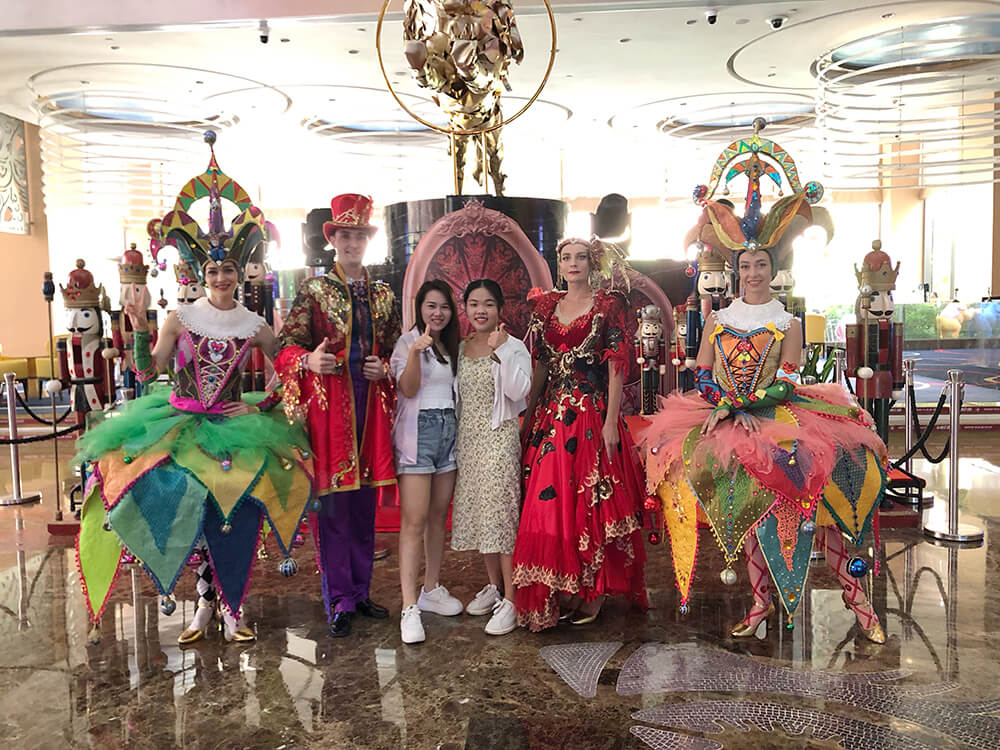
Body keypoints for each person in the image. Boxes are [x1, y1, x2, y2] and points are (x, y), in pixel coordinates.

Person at [643, 243, 889, 642]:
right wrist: (723, 404)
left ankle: (857, 598)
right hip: (724, 420)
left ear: (772, 272)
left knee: (816, 503)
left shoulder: (788, 323)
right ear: (736, 271)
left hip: (783, 420)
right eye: (745, 265)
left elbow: (787, 381)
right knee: (747, 511)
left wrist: (739, 404)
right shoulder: (718, 319)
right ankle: (761, 602)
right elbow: (702, 373)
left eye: (760, 265)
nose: (753, 272)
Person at [74, 241, 314, 645]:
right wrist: (140, 330)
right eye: (213, 271)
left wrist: (258, 408)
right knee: (192, 508)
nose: (221, 278)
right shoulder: (180, 318)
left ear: (240, 274)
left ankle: (232, 605)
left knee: (233, 508)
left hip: (234, 427)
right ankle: (205, 601)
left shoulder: (255, 325)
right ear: (202, 277)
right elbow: (148, 372)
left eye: (229, 270)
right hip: (179, 423)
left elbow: (288, 371)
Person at [275, 193, 400, 638]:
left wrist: (385, 367)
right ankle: (339, 599)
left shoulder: (383, 294)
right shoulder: (314, 292)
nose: (352, 243)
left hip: (371, 413)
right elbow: (285, 348)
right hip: (330, 414)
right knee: (332, 510)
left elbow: (397, 349)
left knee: (363, 508)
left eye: (359, 236)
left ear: (368, 240)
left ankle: (361, 591)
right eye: (345, 235)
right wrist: (309, 360)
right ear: (333, 240)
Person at [512, 237, 648, 632]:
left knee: (590, 502)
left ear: (592, 263)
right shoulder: (545, 308)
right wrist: (528, 416)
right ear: (559, 264)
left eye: (581, 257)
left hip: (590, 415)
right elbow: (541, 366)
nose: (573, 263)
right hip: (551, 416)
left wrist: (611, 420)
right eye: (566, 258)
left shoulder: (608, 306)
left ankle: (594, 591)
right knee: (551, 502)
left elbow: (617, 365)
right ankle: (565, 586)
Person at [451, 279, 532, 636]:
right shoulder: (461, 347)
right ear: (465, 309)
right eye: (473, 304)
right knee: (482, 517)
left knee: (501, 517)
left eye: (487, 304)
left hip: (499, 439)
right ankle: (494, 587)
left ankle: (512, 600)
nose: (480, 310)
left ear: (499, 309)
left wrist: (500, 353)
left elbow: (519, 392)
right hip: (468, 441)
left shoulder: (513, 346)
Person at [391, 279, 462, 644]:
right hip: (419, 433)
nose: (438, 313)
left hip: (449, 430)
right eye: (431, 306)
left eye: (444, 307)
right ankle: (408, 606)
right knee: (414, 521)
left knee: (437, 516)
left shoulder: (453, 346)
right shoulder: (407, 343)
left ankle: (431, 589)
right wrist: (416, 352)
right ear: (419, 308)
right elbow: (408, 388)